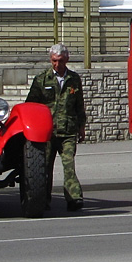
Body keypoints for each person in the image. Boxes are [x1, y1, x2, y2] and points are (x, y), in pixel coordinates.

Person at [26, 43, 86, 211]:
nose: (56, 64)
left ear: (66, 59)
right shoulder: (42, 79)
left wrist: (81, 126)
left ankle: (74, 198)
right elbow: (31, 105)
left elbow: (79, 105)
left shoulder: (73, 79)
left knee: (69, 165)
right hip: (47, 131)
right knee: (44, 167)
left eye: (60, 61)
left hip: (67, 130)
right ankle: (43, 199)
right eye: (54, 61)